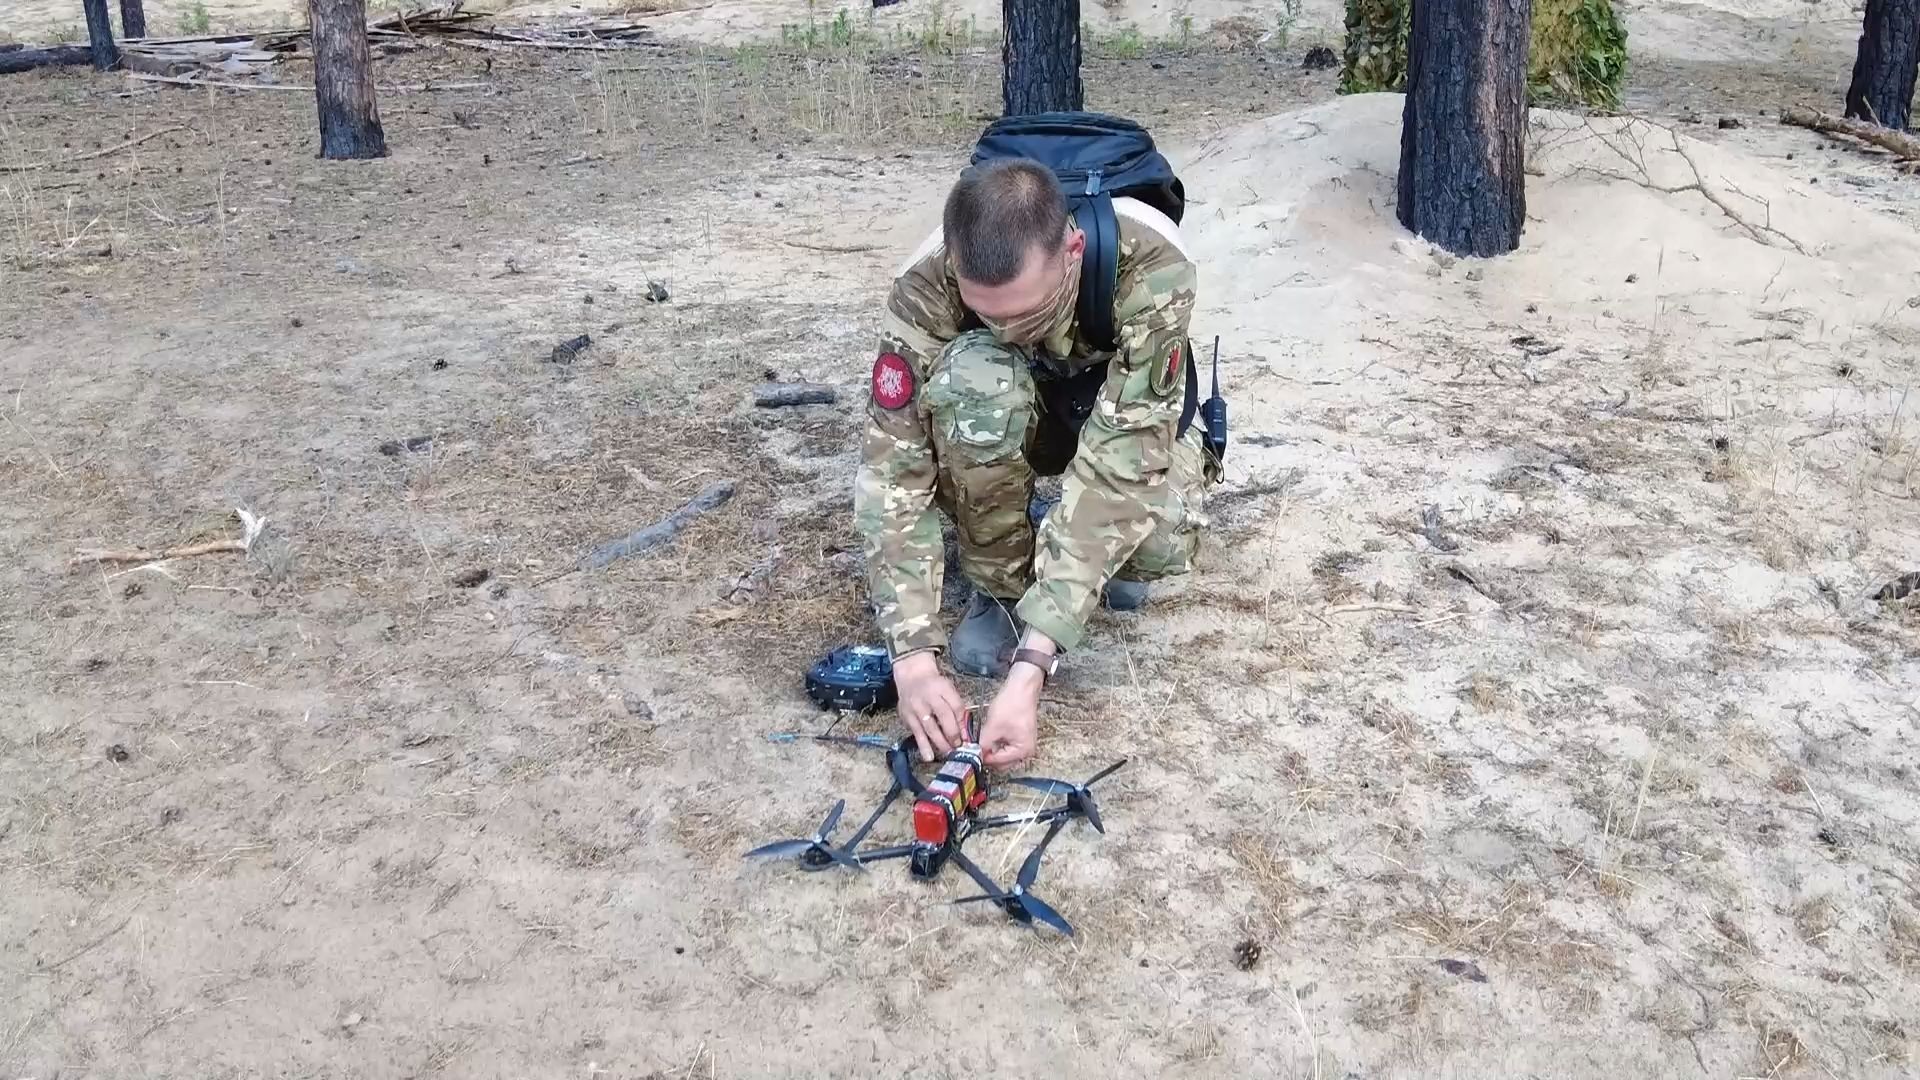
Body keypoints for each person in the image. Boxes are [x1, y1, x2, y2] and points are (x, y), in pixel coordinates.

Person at [853, 157, 1218, 768]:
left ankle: (1080, 570)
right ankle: (998, 588)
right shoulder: (925, 285)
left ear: (1073, 250)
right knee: (980, 375)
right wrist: (912, 657)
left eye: (1025, 315)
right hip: (1012, 412)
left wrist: (1031, 667)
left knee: (1162, 541)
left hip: (1110, 415)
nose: (1006, 329)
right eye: (986, 313)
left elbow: (1123, 461)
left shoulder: (1150, 263)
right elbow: (895, 472)